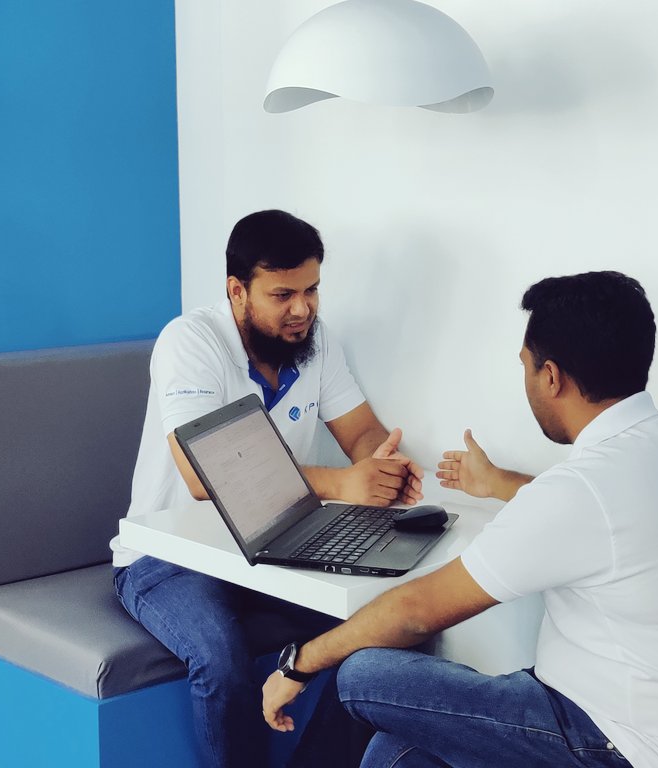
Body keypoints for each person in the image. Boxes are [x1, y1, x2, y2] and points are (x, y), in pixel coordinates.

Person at [262, 271, 658, 768]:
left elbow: (416, 612)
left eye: (526, 366)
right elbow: (602, 516)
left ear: (552, 377)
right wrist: (496, 482)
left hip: (615, 744)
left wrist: (298, 664)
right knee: (397, 754)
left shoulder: (582, 492)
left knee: (362, 674)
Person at [109, 209, 423, 768]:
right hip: (167, 560)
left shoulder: (315, 342)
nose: (302, 309)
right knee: (220, 659)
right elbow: (202, 475)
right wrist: (343, 483)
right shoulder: (190, 341)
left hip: (272, 547)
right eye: (283, 295)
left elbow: (360, 431)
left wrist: (381, 463)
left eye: (312, 290)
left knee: (384, 627)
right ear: (237, 291)